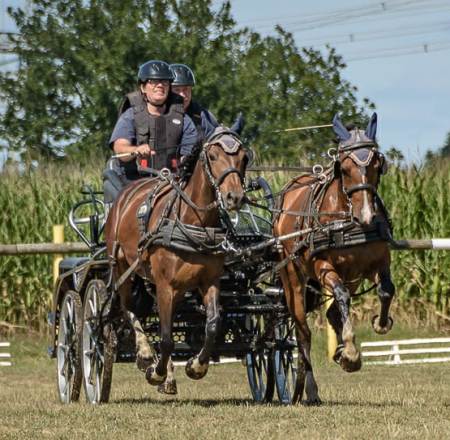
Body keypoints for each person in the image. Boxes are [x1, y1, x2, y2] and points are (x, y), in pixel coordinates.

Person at [103, 60, 197, 204]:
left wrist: (185, 164)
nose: (160, 85)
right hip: (134, 184)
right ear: (143, 87)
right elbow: (119, 148)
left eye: (165, 82)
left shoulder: (184, 119)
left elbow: (189, 154)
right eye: (153, 82)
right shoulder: (130, 115)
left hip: (172, 184)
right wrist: (136, 150)